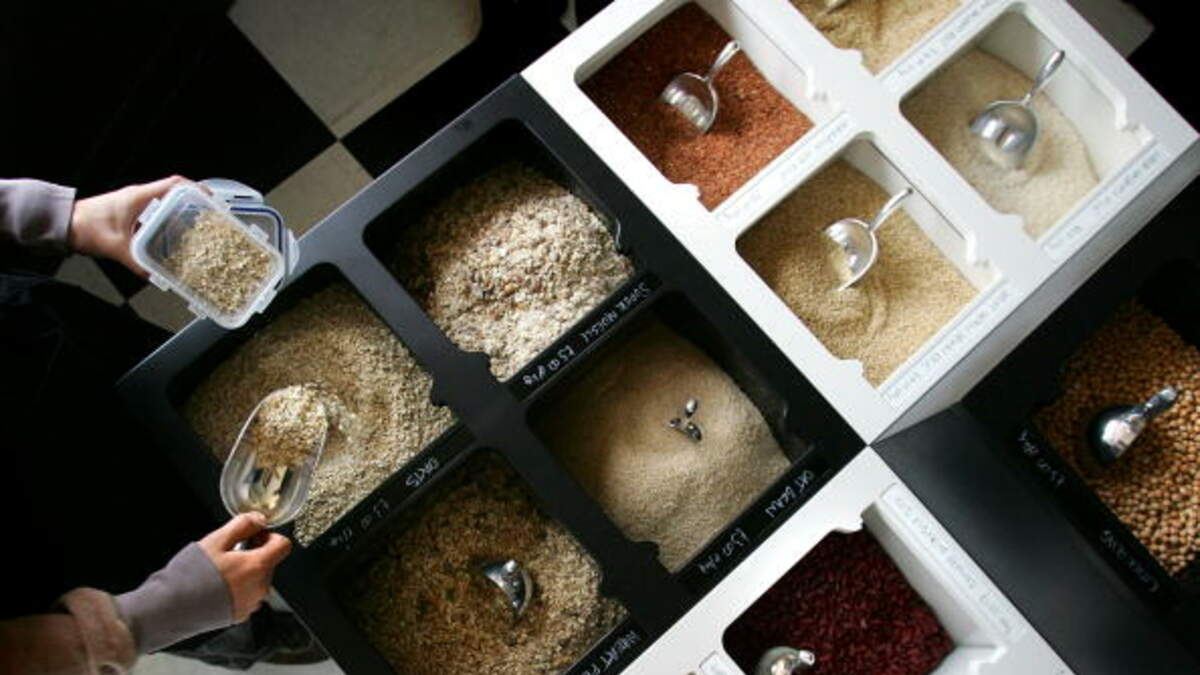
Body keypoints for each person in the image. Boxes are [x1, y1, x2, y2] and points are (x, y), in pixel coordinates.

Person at [0, 177, 309, 673]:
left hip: (36, 339)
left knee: (197, 405)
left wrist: (56, 216)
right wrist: (140, 620)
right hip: (54, 527)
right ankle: (262, 637)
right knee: (204, 599)